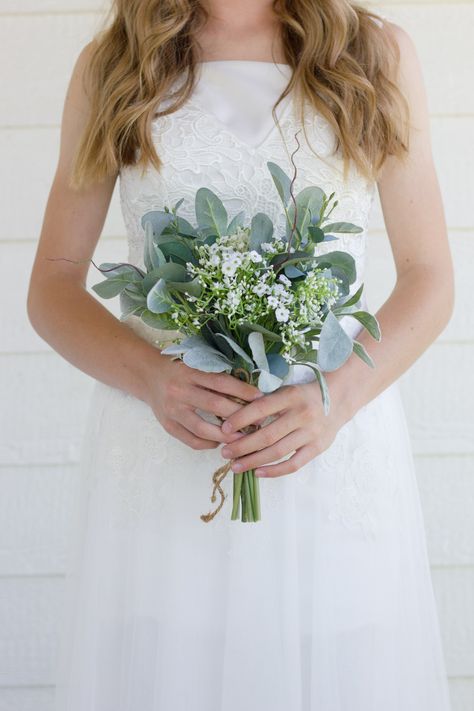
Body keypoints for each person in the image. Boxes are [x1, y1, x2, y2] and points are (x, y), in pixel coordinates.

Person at [27, 1, 454, 709]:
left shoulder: (375, 53)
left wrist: (334, 398)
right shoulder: (115, 63)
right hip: (165, 463)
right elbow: (52, 282)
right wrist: (153, 378)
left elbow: (430, 277)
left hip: (326, 455)